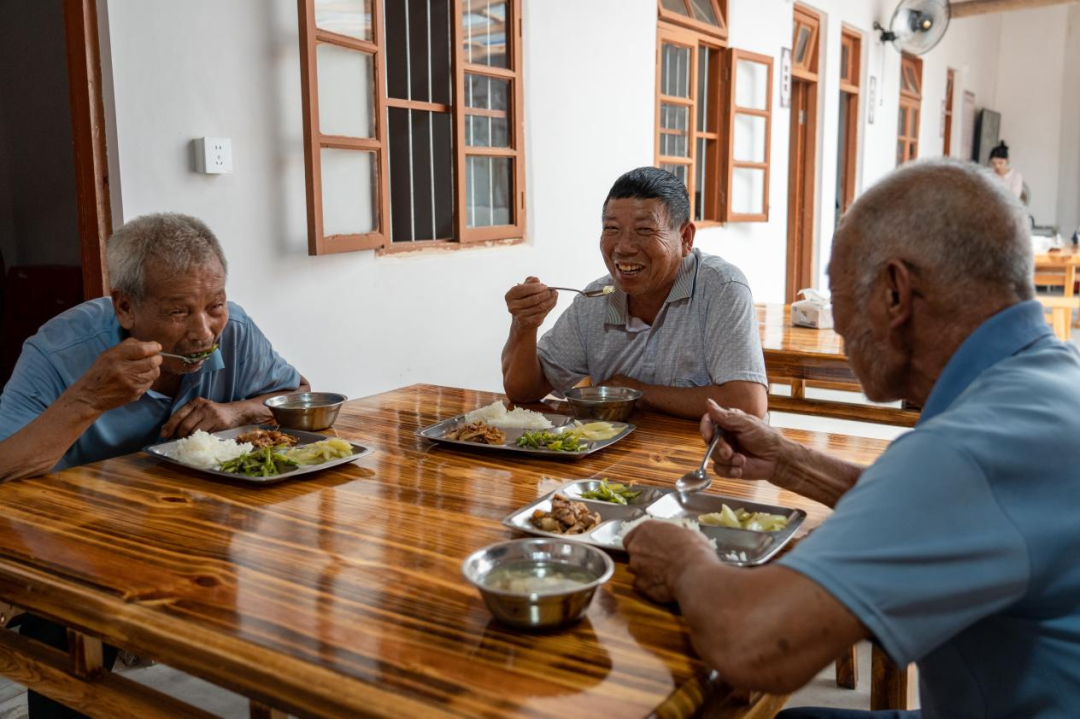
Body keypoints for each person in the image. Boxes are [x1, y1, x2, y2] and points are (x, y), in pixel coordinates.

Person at [623, 159, 1080, 718]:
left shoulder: (970, 449)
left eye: (838, 295)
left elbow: (756, 646)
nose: (837, 327)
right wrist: (788, 462)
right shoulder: (1047, 381)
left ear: (895, 293)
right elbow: (937, 509)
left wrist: (684, 559)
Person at [0, 212, 308, 718]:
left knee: (281, 582)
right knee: (62, 630)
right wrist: (87, 399)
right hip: (83, 539)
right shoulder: (59, 351)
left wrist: (235, 411)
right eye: (178, 311)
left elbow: (298, 395)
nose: (203, 331)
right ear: (125, 307)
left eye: (214, 305)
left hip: (200, 527)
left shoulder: (234, 329)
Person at [501, 167, 768, 420]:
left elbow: (746, 403)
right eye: (612, 229)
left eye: (645, 230)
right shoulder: (594, 301)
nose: (623, 247)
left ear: (685, 238)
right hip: (617, 451)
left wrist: (633, 392)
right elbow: (524, 391)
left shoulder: (721, 288)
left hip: (704, 450)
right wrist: (525, 325)